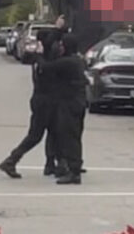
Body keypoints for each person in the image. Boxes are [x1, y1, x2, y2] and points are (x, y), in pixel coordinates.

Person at [0, 15, 66, 179]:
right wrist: (58, 28)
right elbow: (52, 43)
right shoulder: (44, 60)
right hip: (44, 101)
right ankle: (11, 160)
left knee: (54, 132)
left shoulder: (39, 57)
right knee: (35, 135)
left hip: (45, 100)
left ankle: (51, 164)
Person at [37, 34, 88, 185]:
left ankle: (74, 172)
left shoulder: (68, 62)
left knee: (70, 138)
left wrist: (39, 54)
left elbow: (46, 67)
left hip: (70, 104)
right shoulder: (77, 61)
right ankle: (72, 166)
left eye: (62, 45)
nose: (60, 47)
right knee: (73, 136)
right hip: (78, 103)